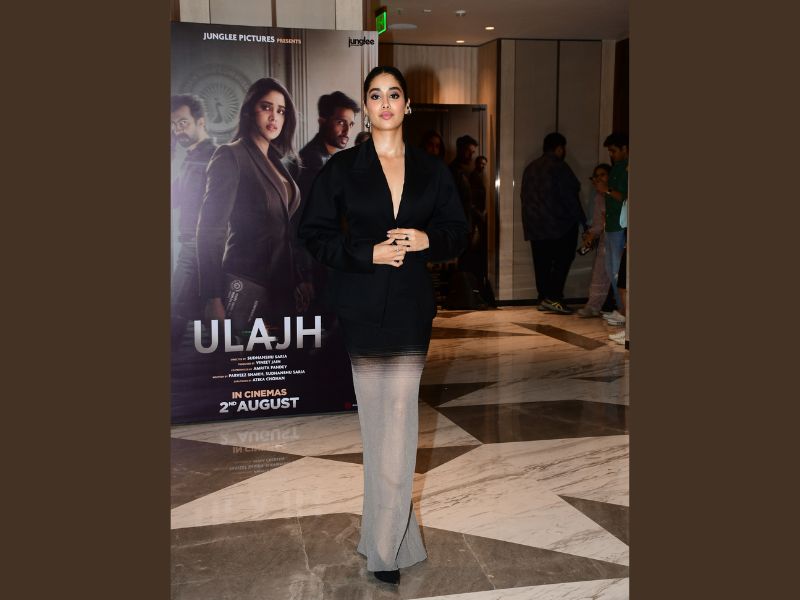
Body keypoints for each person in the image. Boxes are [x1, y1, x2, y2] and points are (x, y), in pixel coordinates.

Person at [297, 66, 468, 586]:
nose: (386, 102)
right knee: (379, 427)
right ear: (366, 108)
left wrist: (427, 240)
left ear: (407, 105)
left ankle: (385, 545)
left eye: (394, 94)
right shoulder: (344, 168)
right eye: (376, 95)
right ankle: (391, 539)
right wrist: (364, 253)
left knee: (400, 422)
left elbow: (458, 231)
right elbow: (312, 232)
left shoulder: (432, 170)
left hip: (412, 309)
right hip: (361, 308)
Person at [196, 77, 305, 332]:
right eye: (266, 107)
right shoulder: (230, 155)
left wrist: (299, 278)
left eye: (281, 111)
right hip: (245, 284)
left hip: (280, 287)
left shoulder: (277, 162)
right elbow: (210, 230)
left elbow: (283, 231)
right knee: (243, 356)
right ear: (249, 110)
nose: (274, 116)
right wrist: (212, 297)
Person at [520, 132, 586, 314]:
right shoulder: (559, 167)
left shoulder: (530, 168)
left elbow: (524, 198)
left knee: (541, 264)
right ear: (559, 148)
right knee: (562, 261)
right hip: (559, 226)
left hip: (535, 227)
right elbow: (570, 198)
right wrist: (583, 222)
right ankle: (555, 298)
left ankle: (543, 297)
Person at [170, 94, 217, 348]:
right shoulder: (190, 157)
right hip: (192, 247)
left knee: (175, 314)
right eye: (173, 124)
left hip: (199, 249)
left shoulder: (214, 156)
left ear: (201, 122)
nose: (177, 130)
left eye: (183, 122)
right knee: (205, 321)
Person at [290, 91, 360, 201]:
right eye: (341, 122)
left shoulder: (325, 155)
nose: (347, 131)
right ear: (322, 122)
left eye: (350, 124)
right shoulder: (313, 160)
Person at [595, 133, 629, 327]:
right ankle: (621, 308)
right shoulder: (616, 168)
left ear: (625, 149)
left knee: (618, 270)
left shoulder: (626, 169)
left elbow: (624, 196)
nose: (611, 155)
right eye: (609, 151)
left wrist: (606, 189)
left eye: (614, 151)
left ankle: (625, 311)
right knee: (611, 269)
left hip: (620, 225)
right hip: (611, 224)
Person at [576, 164, 613, 318]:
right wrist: (590, 235)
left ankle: (619, 309)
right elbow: (598, 222)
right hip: (605, 240)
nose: (598, 179)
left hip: (618, 238)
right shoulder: (598, 197)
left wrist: (593, 233)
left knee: (615, 275)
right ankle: (593, 306)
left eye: (602, 175)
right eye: (596, 177)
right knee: (599, 274)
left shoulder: (614, 194)